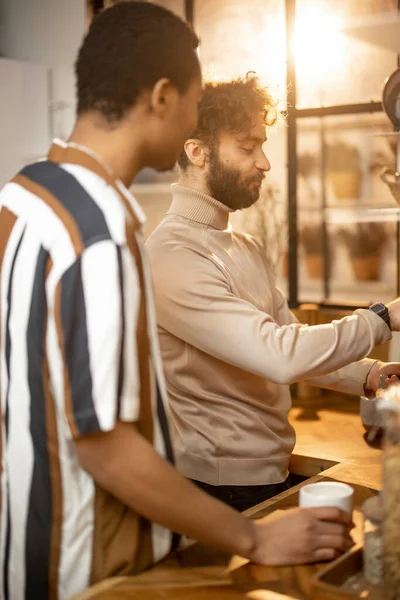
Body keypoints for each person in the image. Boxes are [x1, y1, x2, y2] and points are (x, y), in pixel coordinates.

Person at [0, 6, 355, 600]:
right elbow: (107, 449)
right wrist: (257, 538)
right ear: (163, 98)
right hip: (90, 563)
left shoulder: (23, 193)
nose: (196, 116)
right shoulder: (102, 230)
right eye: (193, 101)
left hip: (24, 542)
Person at [146, 75, 400, 513]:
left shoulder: (245, 245)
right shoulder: (170, 255)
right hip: (214, 486)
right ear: (197, 151)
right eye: (248, 148)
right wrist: (381, 317)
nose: (263, 163)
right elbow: (280, 356)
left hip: (272, 469)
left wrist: (368, 374)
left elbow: (290, 339)